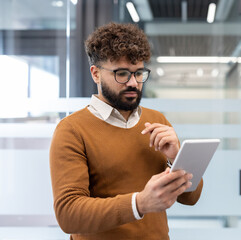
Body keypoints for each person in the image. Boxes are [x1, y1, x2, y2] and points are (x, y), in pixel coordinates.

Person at [49, 22, 203, 240]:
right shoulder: (72, 130)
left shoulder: (157, 120)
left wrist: (177, 158)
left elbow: (191, 198)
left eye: (139, 73)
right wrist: (139, 204)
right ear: (96, 74)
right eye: (122, 74)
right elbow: (69, 214)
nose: (133, 83)